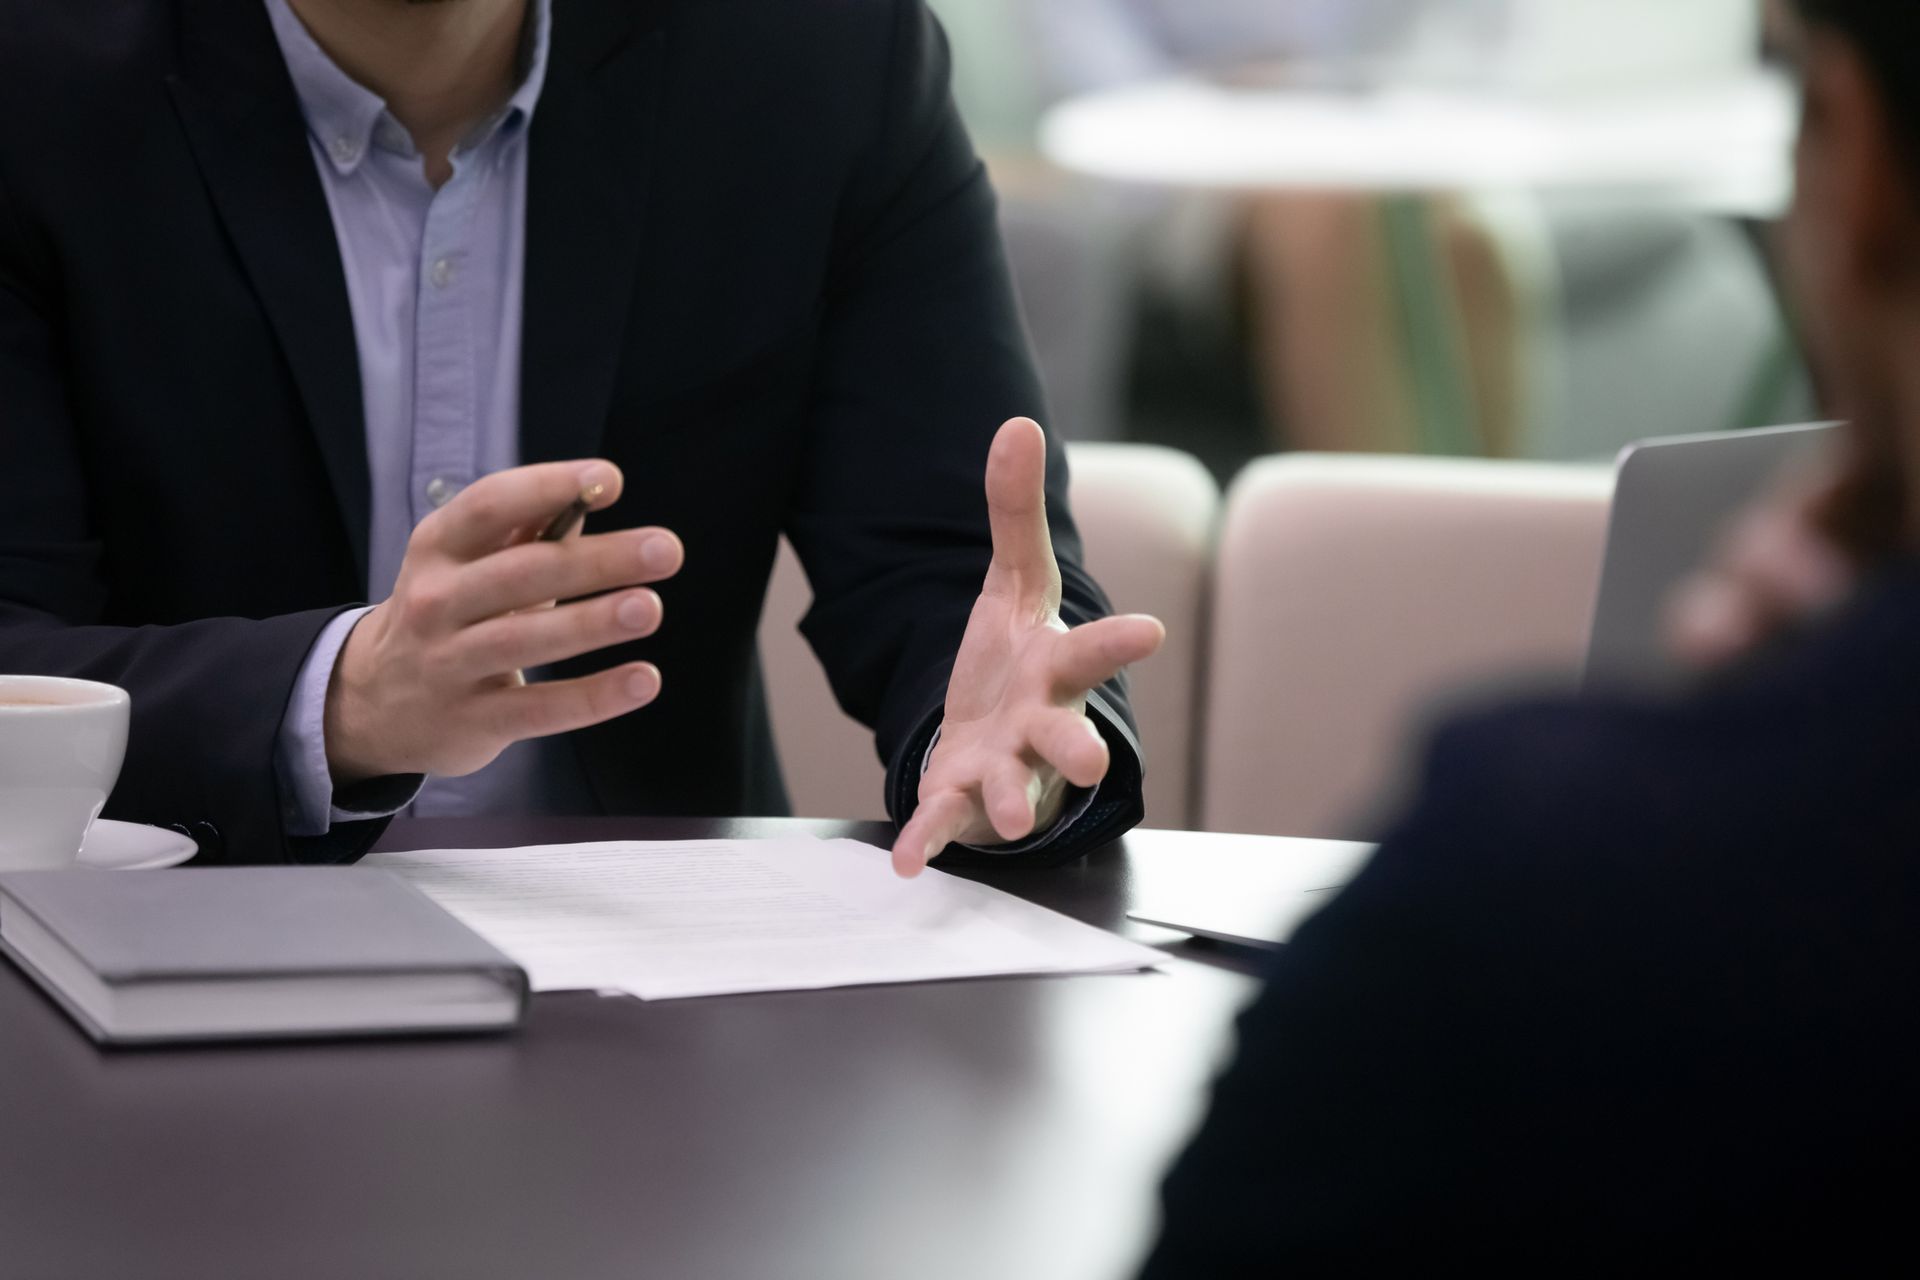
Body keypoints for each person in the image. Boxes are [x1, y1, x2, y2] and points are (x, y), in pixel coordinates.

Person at [0, 0, 1162, 873]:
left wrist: (1019, 751)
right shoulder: (34, 77)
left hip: (655, 1023)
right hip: (154, 984)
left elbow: (957, 581)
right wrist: (337, 701)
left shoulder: (818, 50)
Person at [1140, 0, 1920, 1266]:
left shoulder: (1536, 903)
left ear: (1856, 156)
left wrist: (1750, 752)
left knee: (1456, 237)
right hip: (1196, 167)